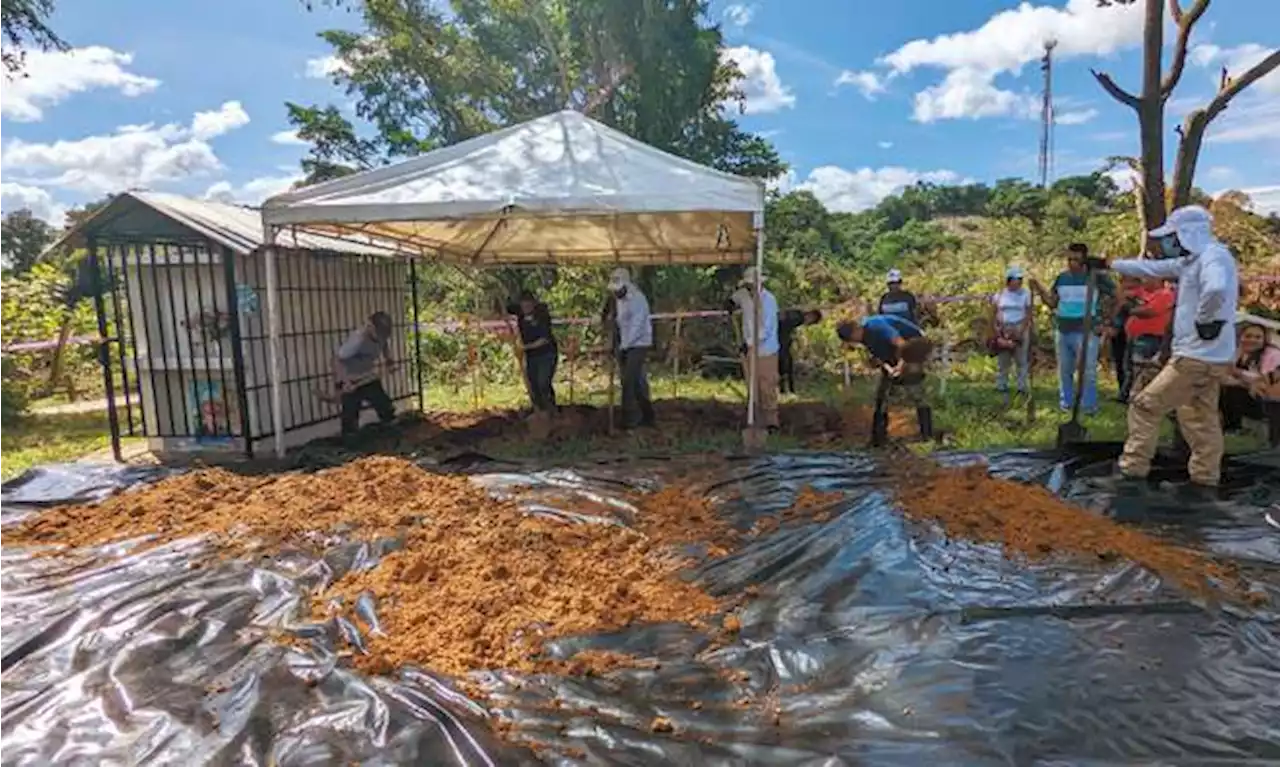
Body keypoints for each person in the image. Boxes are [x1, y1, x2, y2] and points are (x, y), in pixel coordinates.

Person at [1107, 205, 1239, 492]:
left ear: (1187, 233)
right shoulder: (1193, 260)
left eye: (1172, 236)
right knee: (1199, 417)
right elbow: (1152, 268)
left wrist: (1207, 319)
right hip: (1210, 357)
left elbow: (1215, 289)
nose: (1168, 242)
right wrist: (1111, 264)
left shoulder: (1212, 257)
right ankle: (1205, 479)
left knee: (1144, 406)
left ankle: (1132, 472)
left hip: (1195, 357)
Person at [1030, 243, 1115, 414]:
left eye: (1075, 259)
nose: (1071, 263)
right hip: (1063, 329)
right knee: (1064, 370)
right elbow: (1052, 303)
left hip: (1087, 331)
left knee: (1088, 370)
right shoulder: (1062, 278)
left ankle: (1089, 406)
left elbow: (1117, 296)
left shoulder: (1096, 278)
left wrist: (1106, 321)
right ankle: (1066, 404)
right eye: (1069, 259)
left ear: (1084, 259)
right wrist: (1039, 289)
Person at [836, 314, 934, 446]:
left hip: (914, 347)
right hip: (893, 353)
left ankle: (927, 435)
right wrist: (889, 369)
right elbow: (879, 358)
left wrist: (900, 367)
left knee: (915, 390)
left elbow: (902, 344)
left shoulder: (877, 326)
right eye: (852, 341)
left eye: (854, 338)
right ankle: (878, 439)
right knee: (882, 396)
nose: (857, 341)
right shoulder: (865, 338)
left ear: (857, 328)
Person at [727, 267, 781, 429]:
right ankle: (755, 418)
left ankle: (771, 421)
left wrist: (749, 342)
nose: (751, 288)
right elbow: (735, 299)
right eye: (748, 285)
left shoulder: (769, 300)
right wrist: (730, 303)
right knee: (752, 385)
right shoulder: (743, 295)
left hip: (766, 350)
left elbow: (766, 328)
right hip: (748, 350)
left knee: (767, 385)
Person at [329, 310, 397, 437]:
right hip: (351, 379)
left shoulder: (381, 336)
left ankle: (391, 431)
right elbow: (336, 360)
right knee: (350, 415)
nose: (381, 337)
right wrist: (345, 381)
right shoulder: (357, 340)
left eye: (384, 334)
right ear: (370, 326)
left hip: (368, 377)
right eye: (379, 333)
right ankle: (350, 442)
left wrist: (389, 361)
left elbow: (384, 345)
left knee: (384, 405)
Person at [607, 267, 655, 429]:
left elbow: (637, 325)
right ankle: (648, 415)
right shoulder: (619, 300)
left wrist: (625, 346)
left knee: (629, 380)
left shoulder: (638, 300)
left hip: (638, 343)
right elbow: (620, 322)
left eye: (618, 290)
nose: (616, 294)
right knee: (637, 382)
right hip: (625, 344)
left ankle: (630, 420)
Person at [1219, 322, 1280, 447]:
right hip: (1249, 394)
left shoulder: (1273, 354)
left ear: (1264, 339)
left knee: (1234, 390)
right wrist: (1242, 381)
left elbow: (1265, 382)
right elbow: (1224, 375)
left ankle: (1233, 427)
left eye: (1257, 337)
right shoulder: (1237, 352)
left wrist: (1238, 373)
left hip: (1268, 401)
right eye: (1248, 336)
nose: (1252, 340)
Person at [1121, 277, 1175, 399]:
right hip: (1134, 336)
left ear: (1158, 280)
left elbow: (1150, 311)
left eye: (1147, 278)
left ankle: (1142, 397)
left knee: (1143, 368)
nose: (1144, 280)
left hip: (1151, 338)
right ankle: (1127, 395)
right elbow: (1122, 295)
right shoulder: (1142, 293)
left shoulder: (1165, 294)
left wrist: (1131, 309)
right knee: (1129, 368)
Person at [506, 290, 558, 413]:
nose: (525, 308)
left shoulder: (542, 315)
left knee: (543, 382)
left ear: (534, 304)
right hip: (532, 356)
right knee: (533, 383)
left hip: (547, 354)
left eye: (528, 305)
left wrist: (525, 347)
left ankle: (550, 409)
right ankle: (539, 410)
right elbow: (505, 307)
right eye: (523, 305)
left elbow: (544, 340)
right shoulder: (519, 313)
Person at [990, 266, 1032, 402]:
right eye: (1016, 279)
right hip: (1004, 327)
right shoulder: (1000, 295)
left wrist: (1022, 330)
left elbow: (1029, 313)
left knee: (1021, 359)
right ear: (1009, 280)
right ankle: (1002, 385)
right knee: (1003, 359)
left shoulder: (1026, 294)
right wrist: (997, 329)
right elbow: (994, 312)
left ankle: (1022, 386)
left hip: (1019, 326)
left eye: (1020, 279)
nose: (1019, 282)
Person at [778, 308, 823, 394]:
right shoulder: (797, 317)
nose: (809, 324)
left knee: (785, 365)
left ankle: (787, 390)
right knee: (784, 365)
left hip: (781, 342)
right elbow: (783, 323)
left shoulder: (797, 316)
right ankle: (786, 390)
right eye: (811, 322)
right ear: (810, 317)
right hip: (780, 343)